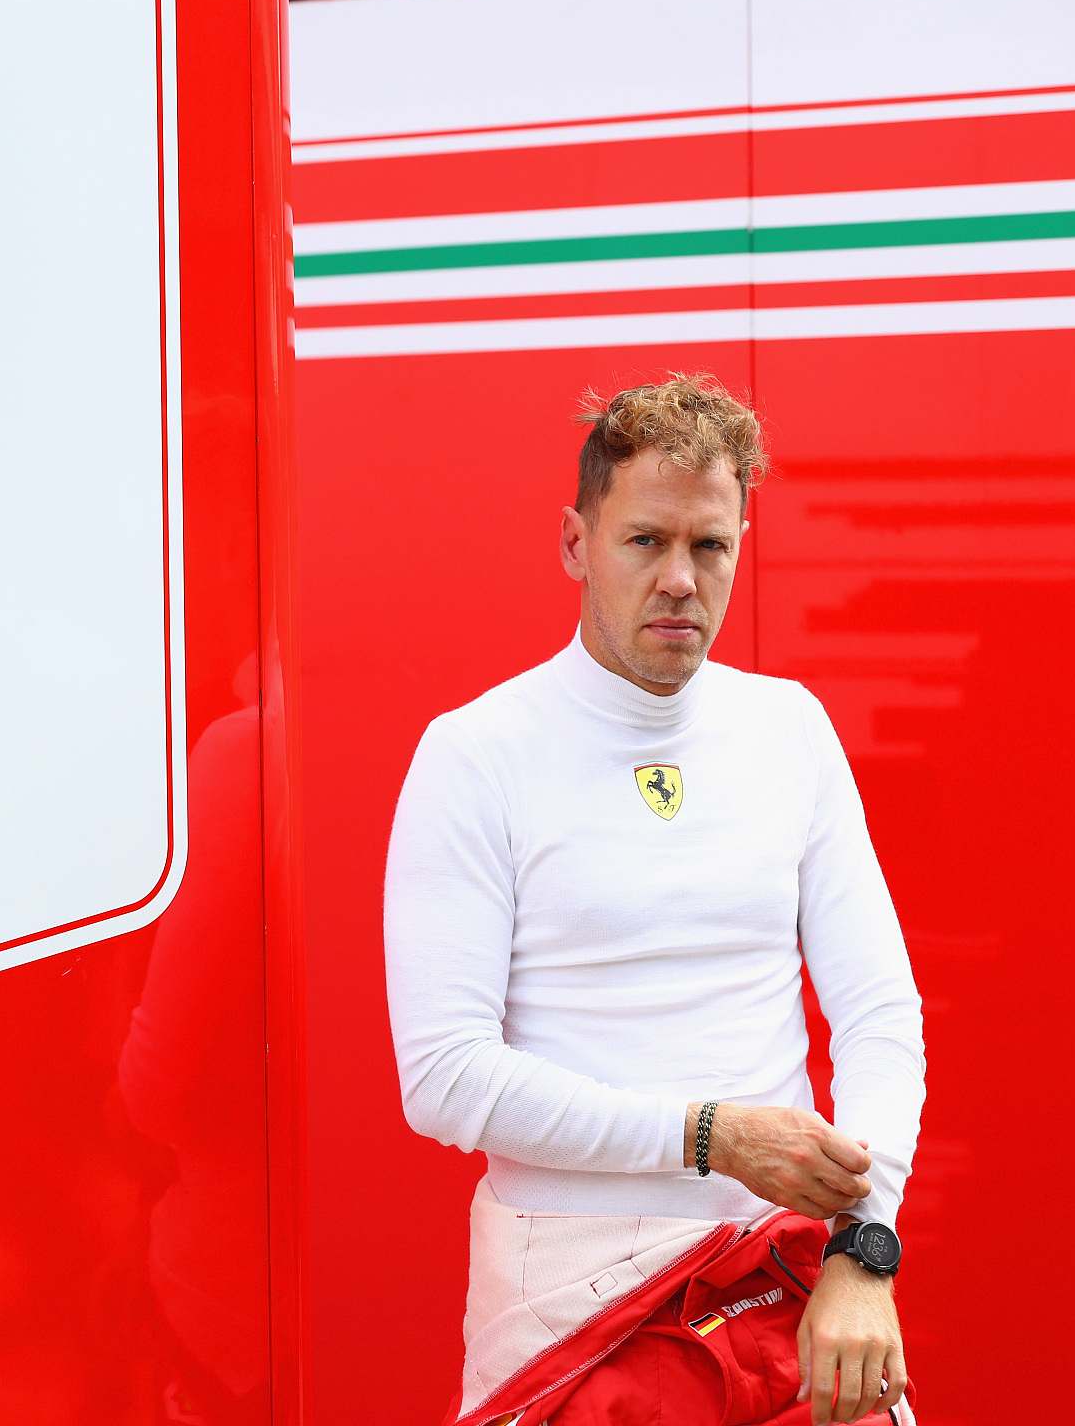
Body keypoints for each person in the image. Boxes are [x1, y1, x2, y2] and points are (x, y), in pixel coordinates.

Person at [382, 375, 927, 1425]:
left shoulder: (790, 729)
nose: (679, 578)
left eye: (708, 545)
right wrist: (708, 1136)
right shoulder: (474, 754)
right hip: (570, 1305)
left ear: (739, 545)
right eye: (645, 541)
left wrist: (865, 1248)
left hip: (794, 1278)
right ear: (575, 542)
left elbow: (879, 1015)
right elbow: (443, 1077)